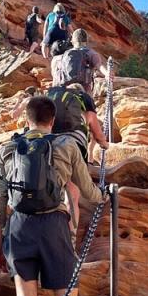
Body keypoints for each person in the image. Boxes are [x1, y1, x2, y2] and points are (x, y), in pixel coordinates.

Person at [0, 95, 103, 296]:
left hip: (19, 228)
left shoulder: (7, 149)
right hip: (53, 226)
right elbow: (88, 189)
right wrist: (105, 196)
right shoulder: (65, 145)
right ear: (52, 120)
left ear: (26, 119)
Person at [45, 80, 110, 232]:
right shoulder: (84, 100)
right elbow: (94, 125)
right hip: (73, 146)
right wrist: (104, 144)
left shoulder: (55, 99)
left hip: (48, 143)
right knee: (72, 196)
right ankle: (69, 240)